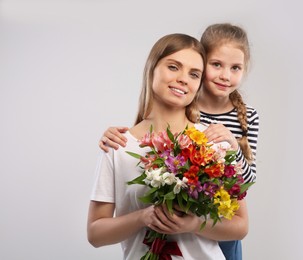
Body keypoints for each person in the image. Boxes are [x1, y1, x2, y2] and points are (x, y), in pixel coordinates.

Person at [98, 23, 259, 260]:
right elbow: (96, 232)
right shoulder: (120, 145)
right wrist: (143, 217)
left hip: (216, 238)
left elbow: (242, 202)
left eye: (193, 73)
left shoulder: (215, 137)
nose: (225, 75)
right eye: (216, 65)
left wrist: (232, 148)